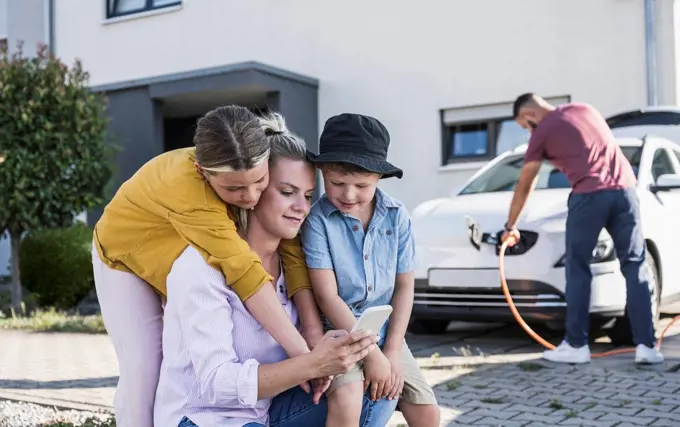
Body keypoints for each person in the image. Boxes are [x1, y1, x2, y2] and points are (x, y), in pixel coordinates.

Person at [154, 116, 398, 427]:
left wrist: (333, 353)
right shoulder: (201, 264)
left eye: (308, 196)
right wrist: (311, 364)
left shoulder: (293, 267)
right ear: (254, 190)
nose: (302, 207)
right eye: (287, 191)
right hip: (203, 417)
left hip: (265, 414)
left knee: (377, 387)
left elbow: (312, 351)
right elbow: (215, 384)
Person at [91, 106, 325, 427]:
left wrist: (312, 329)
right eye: (235, 189)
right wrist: (304, 356)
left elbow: (292, 251)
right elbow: (245, 273)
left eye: (259, 182)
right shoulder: (195, 195)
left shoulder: (237, 173)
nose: (251, 197)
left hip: (176, 247)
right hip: (124, 258)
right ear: (202, 171)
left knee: (184, 347)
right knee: (144, 370)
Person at [501, 93, 664, 365]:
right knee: (635, 264)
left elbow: (526, 182)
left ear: (529, 116)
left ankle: (576, 345)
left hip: (589, 195)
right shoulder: (586, 109)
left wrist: (511, 225)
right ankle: (646, 347)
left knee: (577, 266)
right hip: (625, 191)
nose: (527, 131)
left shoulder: (543, 131)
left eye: (524, 126)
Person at [302, 113, 440, 427]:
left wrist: (390, 349)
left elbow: (404, 286)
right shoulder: (317, 221)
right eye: (337, 183)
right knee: (348, 399)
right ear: (323, 172)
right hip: (340, 331)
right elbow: (326, 296)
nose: (348, 195)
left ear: (379, 178)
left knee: (427, 410)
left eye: (361, 185)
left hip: (386, 331)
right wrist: (371, 355)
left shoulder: (396, 215)